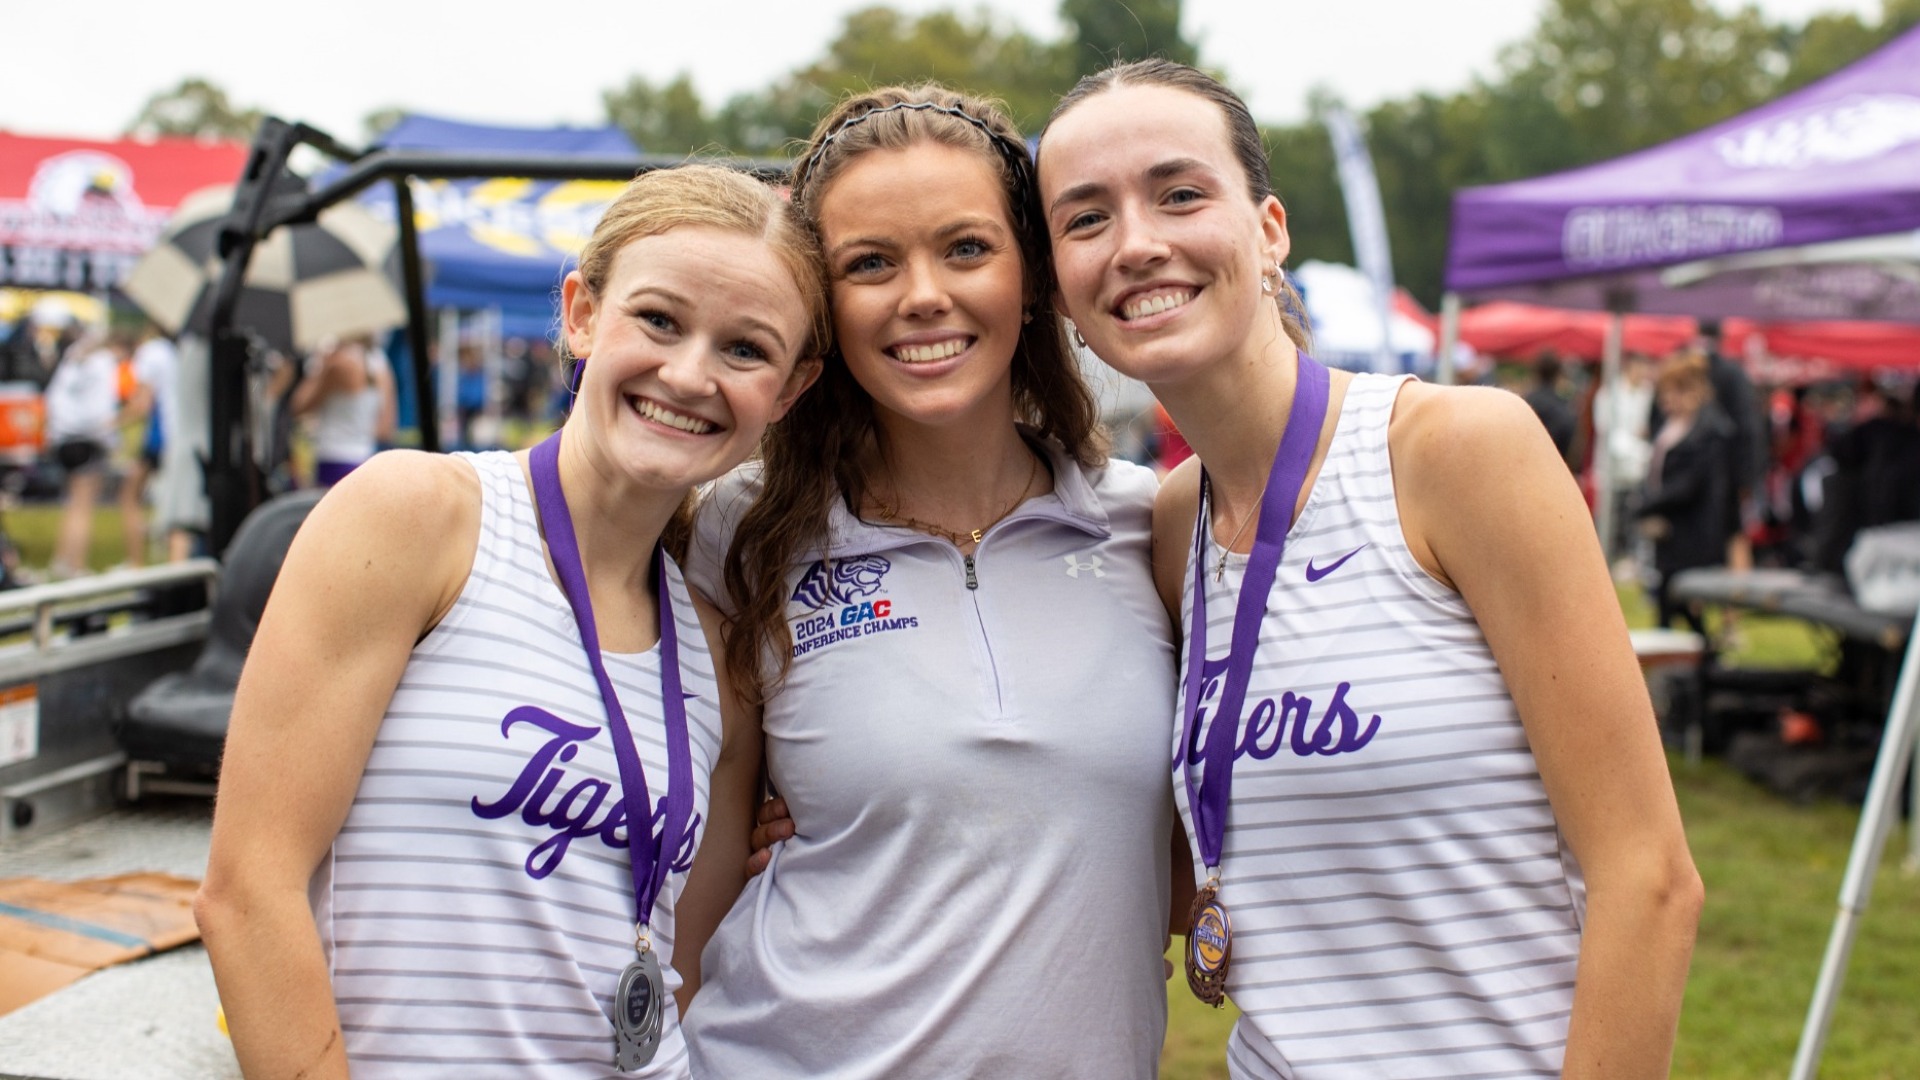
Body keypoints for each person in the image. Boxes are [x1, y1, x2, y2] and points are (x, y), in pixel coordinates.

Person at [1038, 59, 1702, 1079]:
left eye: (1179, 194)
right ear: (1059, 285)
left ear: (1269, 231)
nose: (1135, 243)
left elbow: (1647, 878)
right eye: (1086, 219)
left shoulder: (1455, 453)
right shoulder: (1173, 524)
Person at [194, 164, 828, 1079]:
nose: (690, 374)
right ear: (581, 314)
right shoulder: (417, 519)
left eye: (745, 350)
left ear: (792, 389)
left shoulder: (720, 653)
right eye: (659, 320)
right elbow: (248, 892)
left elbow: (681, 967)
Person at [680, 86, 1179, 1079]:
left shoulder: (1148, 525)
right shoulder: (737, 531)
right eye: (870, 263)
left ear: (1030, 276)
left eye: (965, 248)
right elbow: (689, 899)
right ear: (824, 307)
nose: (922, 296)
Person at [1636, 351, 1736, 633]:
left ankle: (1704, 652)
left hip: (1688, 533)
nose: (1664, 400)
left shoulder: (1709, 430)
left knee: (1676, 601)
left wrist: (1645, 505)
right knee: (1671, 603)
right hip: (1670, 531)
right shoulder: (1674, 426)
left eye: (1669, 392)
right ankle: (1700, 652)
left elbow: (1689, 485)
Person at [42, 329, 126, 577]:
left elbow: (52, 399)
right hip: (88, 440)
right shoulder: (102, 365)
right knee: (83, 505)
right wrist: (111, 441)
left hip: (64, 438)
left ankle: (61, 559)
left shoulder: (71, 362)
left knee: (71, 503)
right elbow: (101, 410)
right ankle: (76, 565)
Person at [277, 333, 397, 486]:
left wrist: (321, 367)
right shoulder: (380, 362)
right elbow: (385, 429)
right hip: (365, 458)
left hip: (334, 457)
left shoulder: (337, 362)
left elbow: (299, 405)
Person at [119, 327, 178, 566]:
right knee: (169, 501)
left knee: (130, 496)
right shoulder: (171, 350)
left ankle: (136, 563)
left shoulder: (150, 353)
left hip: (160, 436)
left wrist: (107, 424)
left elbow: (142, 404)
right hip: (175, 434)